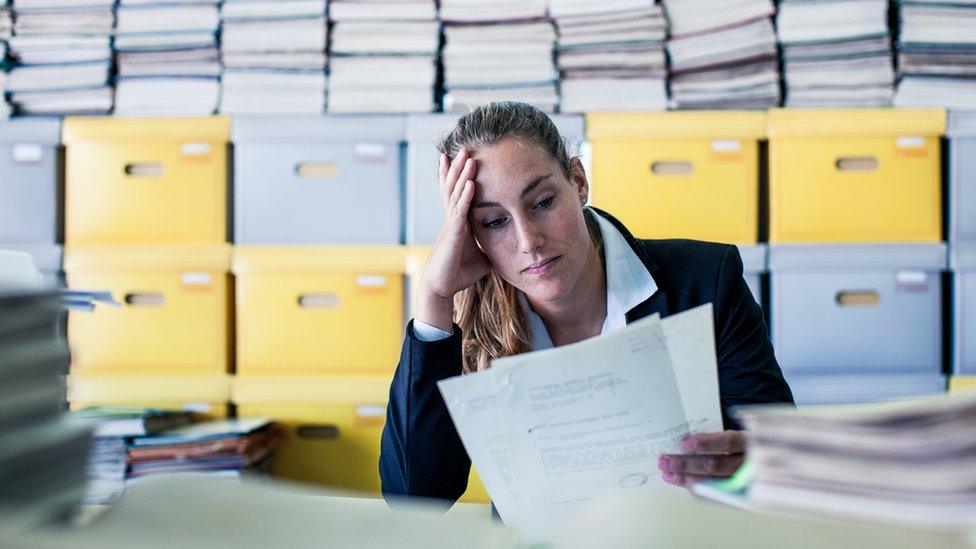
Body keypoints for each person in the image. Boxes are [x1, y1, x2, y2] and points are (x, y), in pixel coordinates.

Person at [379, 101, 793, 503]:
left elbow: (779, 453)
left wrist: (751, 461)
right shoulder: (468, 323)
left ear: (578, 181)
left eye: (542, 203)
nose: (528, 241)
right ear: (473, 235)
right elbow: (415, 494)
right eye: (494, 221)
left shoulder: (705, 280)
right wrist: (434, 300)